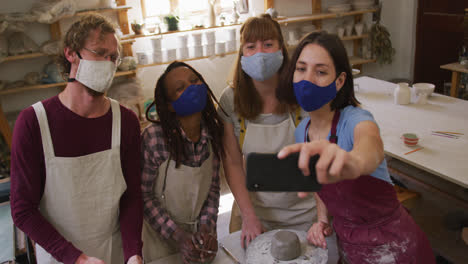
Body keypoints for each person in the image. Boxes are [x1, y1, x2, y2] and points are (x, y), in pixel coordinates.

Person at [277, 31, 436, 263]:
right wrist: (322, 220)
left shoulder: (355, 120)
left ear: (339, 81)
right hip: (349, 243)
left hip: (394, 246)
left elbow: (370, 147)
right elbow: (320, 185)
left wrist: (353, 162)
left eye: (320, 72)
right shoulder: (301, 132)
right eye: (301, 69)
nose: (307, 79)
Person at [10, 14, 143, 264]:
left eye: (113, 57)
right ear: (71, 54)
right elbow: (22, 210)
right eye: (99, 53)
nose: (108, 63)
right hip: (59, 257)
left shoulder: (125, 121)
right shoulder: (33, 123)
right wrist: (77, 259)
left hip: (114, 254)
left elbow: (132, 196)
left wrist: (134, 252)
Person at [218, 14, 317, 248]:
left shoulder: (303, 92)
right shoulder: (230, 99)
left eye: (268, 44)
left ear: (281, 48)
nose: (260, 53)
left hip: (304, 215)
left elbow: (320, 157)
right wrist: (249, 216)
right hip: (255, 213)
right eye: (251, 46)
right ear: (242, 54)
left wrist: (322, 218)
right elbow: (232, 162)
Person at [141, 61, 224, 264]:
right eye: (180, 88)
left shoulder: (213, 133)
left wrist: (206, 230)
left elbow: (212, 189)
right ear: (169, 104)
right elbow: (144, 195)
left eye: (195, 81)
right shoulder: (155, 138)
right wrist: (178, 236)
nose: (192, 88)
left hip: (200, 240)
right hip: (161, 240)